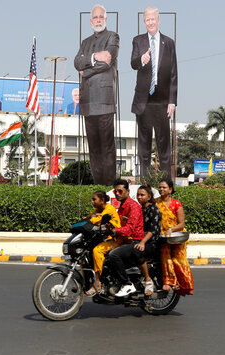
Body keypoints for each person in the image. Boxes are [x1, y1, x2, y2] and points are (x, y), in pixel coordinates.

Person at [74, 4, 119, 186]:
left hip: (105, 100)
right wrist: (94, 57)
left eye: (101, 17)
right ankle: (98, 187)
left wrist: (87, 70)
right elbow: (77, 62)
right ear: (91, 21)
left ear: (106, 20)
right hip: (88, 101)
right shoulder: (85, 42)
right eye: (95, 17)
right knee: (93, 148)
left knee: (107, 147)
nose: (98, 20)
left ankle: (109, 188)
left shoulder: (112, 37)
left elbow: (107, 63)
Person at [131, 7, 177, 181]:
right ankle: (145, 184)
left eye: (153, 19)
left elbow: (174, 73)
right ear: (144, 22)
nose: (150, 22)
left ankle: (166, 185)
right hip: (143, 100)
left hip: (162, 101)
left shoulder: (169, 43)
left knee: (164, 146)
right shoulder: (138, 41)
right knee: (143, 147)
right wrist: (141, 60)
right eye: (147, 20)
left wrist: (172, 101)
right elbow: (132, 63)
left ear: (158, 20)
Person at [107, 184, 161, 296]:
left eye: (142, 195)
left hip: (150, 242)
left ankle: (147, 280)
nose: (139, 197)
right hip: (139, 240)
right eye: (138, 195)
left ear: (149, 196)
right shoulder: (139, 208)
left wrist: (142, 242)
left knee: (132, 251)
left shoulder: (153, 209)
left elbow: (153, 230)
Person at [104, 179, 145, 296]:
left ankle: (127, 284)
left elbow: (130, 228)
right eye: (115, 191)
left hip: (134, 241)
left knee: (114, 255)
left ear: (127, 191)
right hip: (124, 240)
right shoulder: (122, 206)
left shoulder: (134, 206)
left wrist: (115, 231)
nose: (117, 194)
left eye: (120, 191)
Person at [156, 179, 193, 295]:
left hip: (175, 235)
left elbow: (181, 224)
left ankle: (183, 284)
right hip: (161, 236)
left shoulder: (176, 204)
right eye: (160, 187)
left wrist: (171, 229)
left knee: (179, 260)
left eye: (164, 187)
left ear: (170, 190)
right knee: (165, 256)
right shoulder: (155, 202)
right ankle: (168, 281)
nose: (161, 189)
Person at [86, 190, 121, 296]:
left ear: (102, 200)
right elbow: (87, 218)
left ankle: (97, 283)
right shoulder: (97, 209)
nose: (92, 202)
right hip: (104, 239)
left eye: (94, 199)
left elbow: (97, 220)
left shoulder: (109, 209)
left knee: (97, 251)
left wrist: (94, 217)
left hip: (115, 240)